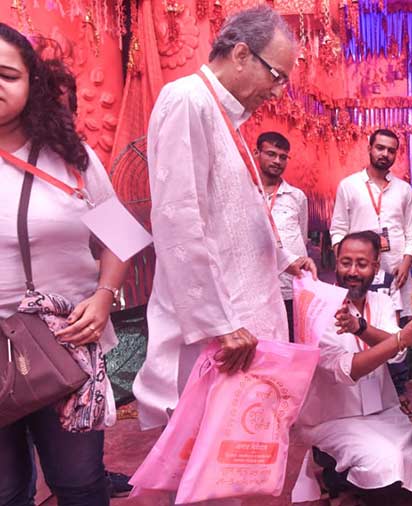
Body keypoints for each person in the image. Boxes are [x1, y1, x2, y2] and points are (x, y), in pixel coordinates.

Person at [134, 6, 316, 430]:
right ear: (239, 54)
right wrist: (220, 323)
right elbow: (180, 222)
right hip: (219, 335)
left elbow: (234, 214)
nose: (277, 92)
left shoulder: (222, 113)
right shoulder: (187, 100)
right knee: (207, 472)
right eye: (276, 76)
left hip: (241, 327)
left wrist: (286, 257)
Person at [0, 23, 129, 505]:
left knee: (77, 482)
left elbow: (118, 236)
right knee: (6, 490)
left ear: (33, 83)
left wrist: (103, 297)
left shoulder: (71, 157)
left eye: (6, 74)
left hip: (64, 344)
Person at [291, 231, 412, 505]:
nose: (352, 271)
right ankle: (332, 470)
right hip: (334, 417)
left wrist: (365, 329)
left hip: (381, 410)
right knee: (387, 473)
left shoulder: (382, 302)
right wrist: (399, 339)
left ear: (375, 266)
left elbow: (397, 354)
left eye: (361, 264)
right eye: (345, 262)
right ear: (335, 262)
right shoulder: (319, 305)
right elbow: (345, 370)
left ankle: (342, 483)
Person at [330, 128, 412, 414]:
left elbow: (410, 230)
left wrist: (406, 262)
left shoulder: (403, 189)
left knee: (394, 330)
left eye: (391, 150)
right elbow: (338, 230)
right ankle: (357, 394)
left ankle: (397, 391)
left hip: (395, 274)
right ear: (369, 148)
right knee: (358, 327)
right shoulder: (349, 185)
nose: (385, 154)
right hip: (361, 275)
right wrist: (347, 265)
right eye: (380, 148)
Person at [255, 131, 308, 342]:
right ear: (257, 153)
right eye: (271, 154)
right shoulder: (245, 193)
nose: (277, 161)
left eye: (283, 156)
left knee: (293, 343)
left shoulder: (297, 197)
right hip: (257, 290)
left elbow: (302, 237)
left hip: (290, 288)